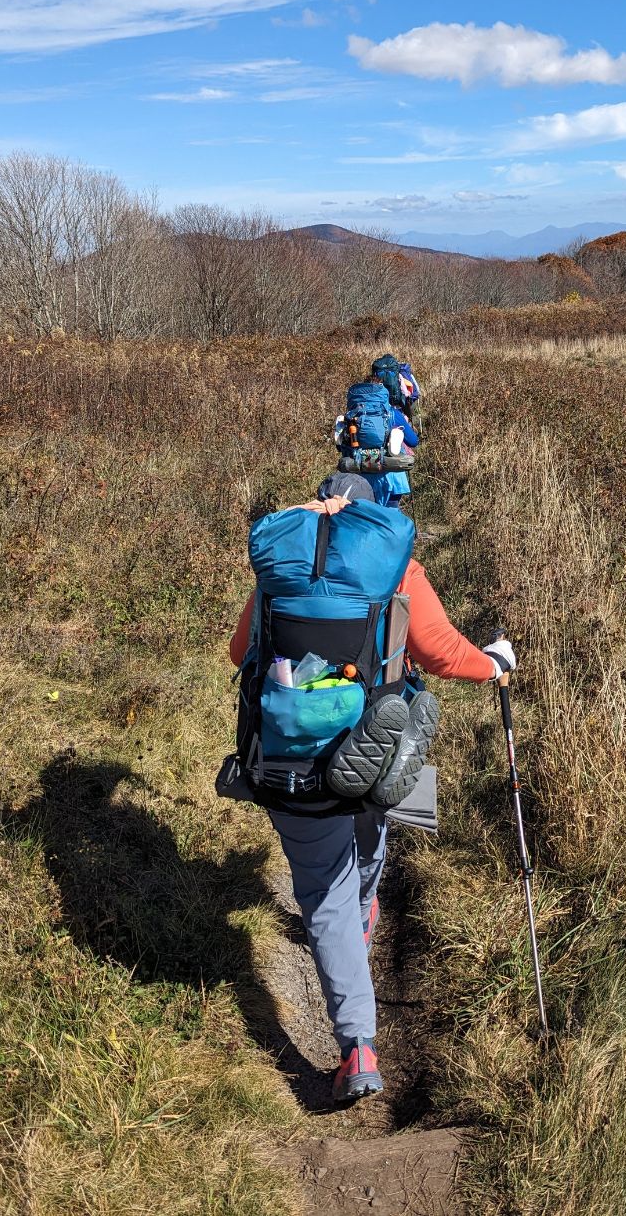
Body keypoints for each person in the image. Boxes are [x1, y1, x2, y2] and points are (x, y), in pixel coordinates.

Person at [228, 472, 515, 1105]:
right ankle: (364, 914)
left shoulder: (279, 577)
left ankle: (358, 1047)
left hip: (291, 763)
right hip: (374, 750)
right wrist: (493, 662)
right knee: (375, 817)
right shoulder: (397, 570)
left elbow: (237, 652)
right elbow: (440, 652)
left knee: (322, 895)